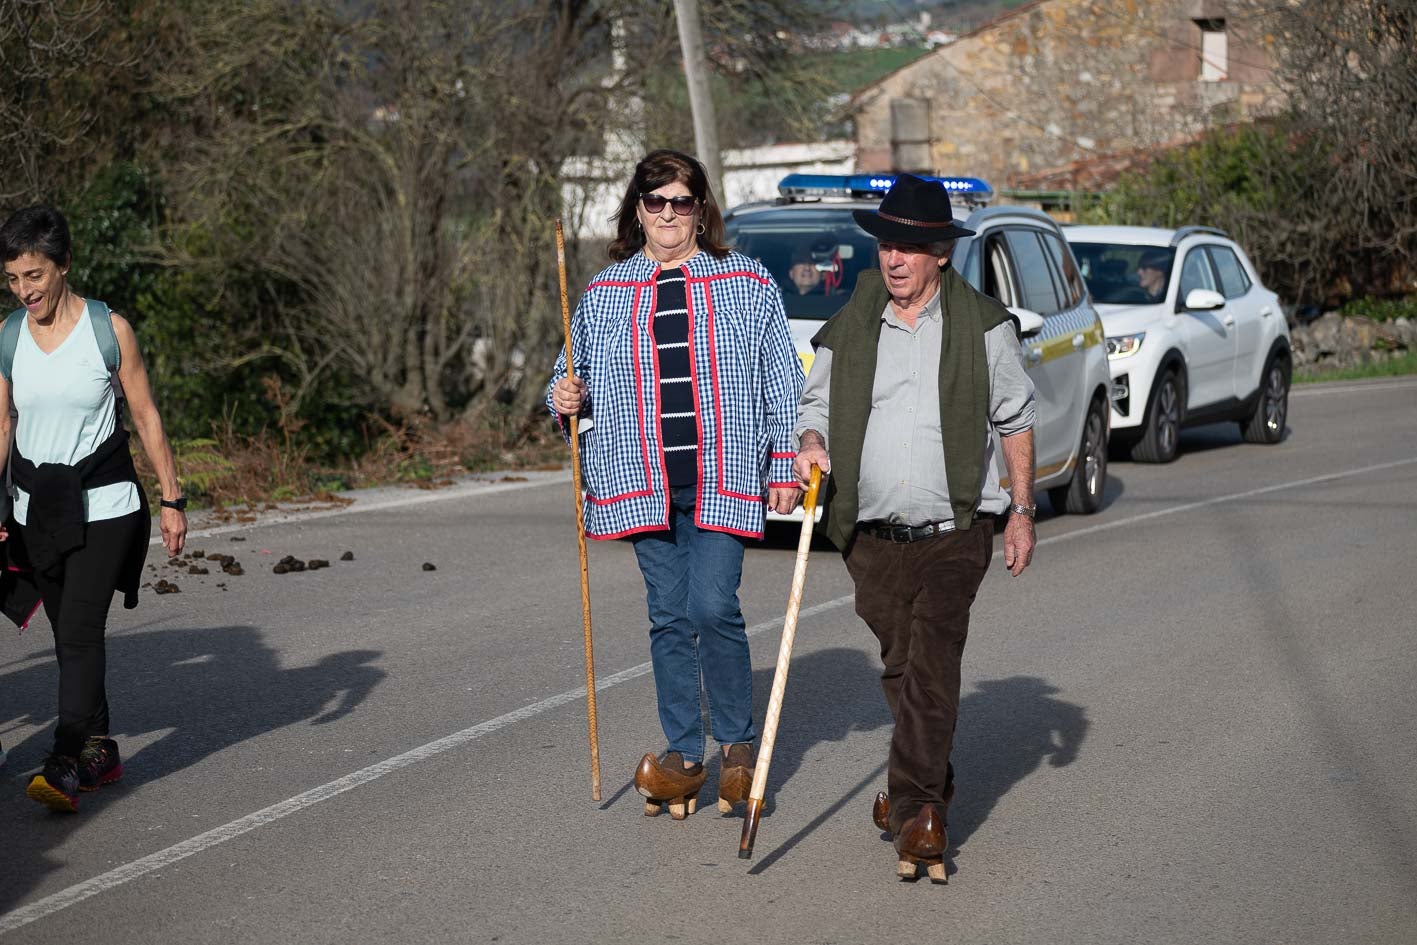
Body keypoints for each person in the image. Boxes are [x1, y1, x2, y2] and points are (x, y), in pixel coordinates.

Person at [792, 173, 1037, 883]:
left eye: (907, 247)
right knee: (901, 667)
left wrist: (1020, 511)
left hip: (954, 528)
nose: (892, 259)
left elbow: (1015, 419)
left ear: (938, 254)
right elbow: (816, 404)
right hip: (868, 535)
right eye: (885, 246)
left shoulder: (983, 326)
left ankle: (920, 812)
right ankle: (914, 787)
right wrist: (811, 441)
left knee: (932, 664)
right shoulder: (854, 319)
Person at [547, 149, 803, 820]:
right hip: (640, 479)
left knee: (712, 605)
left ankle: (738, 747)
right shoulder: (605, 294)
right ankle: (685, 755)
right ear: (637, 210)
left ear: (700, 209)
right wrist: (563, 394)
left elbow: (781, 380)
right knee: (667, 615)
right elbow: (566, 374)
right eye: (655, 201)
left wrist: (783, 465)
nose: (668, 213)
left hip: (723, 474)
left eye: (681, 201)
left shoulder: (745, 281)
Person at [0, 206, 188, 813]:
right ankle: (100, 748)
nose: (24, 290)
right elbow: (2, 423)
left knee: (80, 630)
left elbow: (146, 414)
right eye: (13, 279)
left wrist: (171, 497)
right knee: (67, 637)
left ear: (64, 266)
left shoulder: (110, 330)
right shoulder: (7, 338)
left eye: (34, 275)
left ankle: (63, 761)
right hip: (36, 512)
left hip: (106, 507)